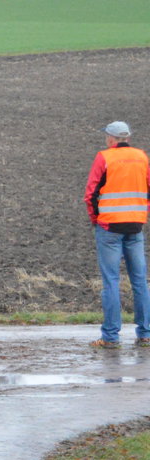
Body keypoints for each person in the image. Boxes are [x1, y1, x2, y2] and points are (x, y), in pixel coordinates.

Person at [83, 120, 150, 348]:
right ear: (127, 137)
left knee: (111, 281)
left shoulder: (104, 157)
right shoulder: (141, 157)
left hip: (109, 227)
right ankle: (145, 335)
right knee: (140, 281)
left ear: (111, 139)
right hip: (135, 226)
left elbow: (90, 194)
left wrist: (96, 220)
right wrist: (140, 214)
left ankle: (110, 337)